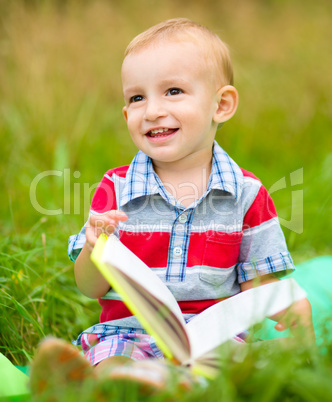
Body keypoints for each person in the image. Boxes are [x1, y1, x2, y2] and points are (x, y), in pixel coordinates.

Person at [30, 17, 314, 395]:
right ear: (126, 113)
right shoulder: (116, 188)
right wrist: (94, 249)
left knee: (230, 365)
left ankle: (166, 383)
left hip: (214, 336)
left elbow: (255, 284)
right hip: (128, 330)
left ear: (222, 104)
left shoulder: (247, 194)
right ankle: (99, 381)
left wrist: (284, 303)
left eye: (173, 91)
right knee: (115, 358)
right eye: (137, 98)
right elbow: (89, 287)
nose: (151, 111)